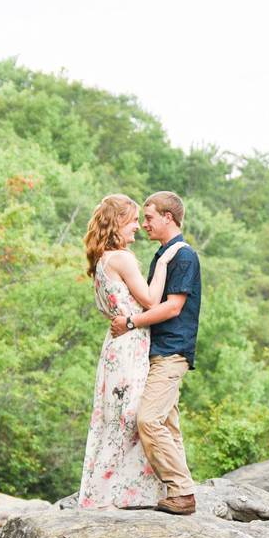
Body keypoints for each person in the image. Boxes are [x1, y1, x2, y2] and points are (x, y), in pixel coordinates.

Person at [78, 194, 185, 509]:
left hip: (116, 345)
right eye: (133, 220)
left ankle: (110, 488)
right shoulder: (122, 258)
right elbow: (152, 301)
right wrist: (165, 261)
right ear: (118, 223)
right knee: (130, 417)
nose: (138, 227)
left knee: (113, 418)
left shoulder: (102, 260)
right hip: (130, 344)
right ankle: (126, 492)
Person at [110, 191, 200, 515]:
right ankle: (176, 491)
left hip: (172, 351)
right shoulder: (162, 255)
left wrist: (130, 322)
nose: (144, 224)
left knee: (148, 420)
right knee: (169, 426)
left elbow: (173, 307)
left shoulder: (184, 257)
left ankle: (183, 492)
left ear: (168, 218)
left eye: (149, 218)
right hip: (155, 351)